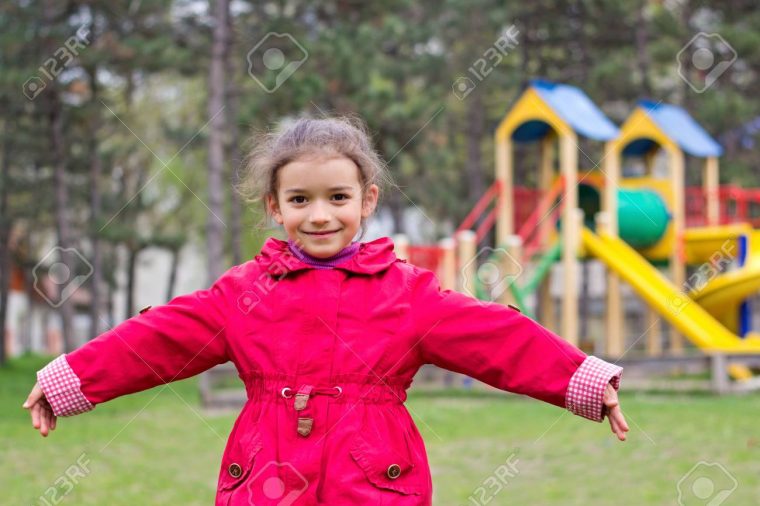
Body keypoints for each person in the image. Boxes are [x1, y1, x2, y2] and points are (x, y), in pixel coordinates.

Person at [23, 116, 628, 505]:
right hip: (266, 477)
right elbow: (157, 339)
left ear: (366, 201)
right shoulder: (243, 293)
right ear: (275, 206)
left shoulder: (408, 295)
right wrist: (69, 381)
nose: (320, 215)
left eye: (337, 198)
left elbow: (496, 338)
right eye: (300, 199)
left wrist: (582, 379)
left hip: (373, 479)